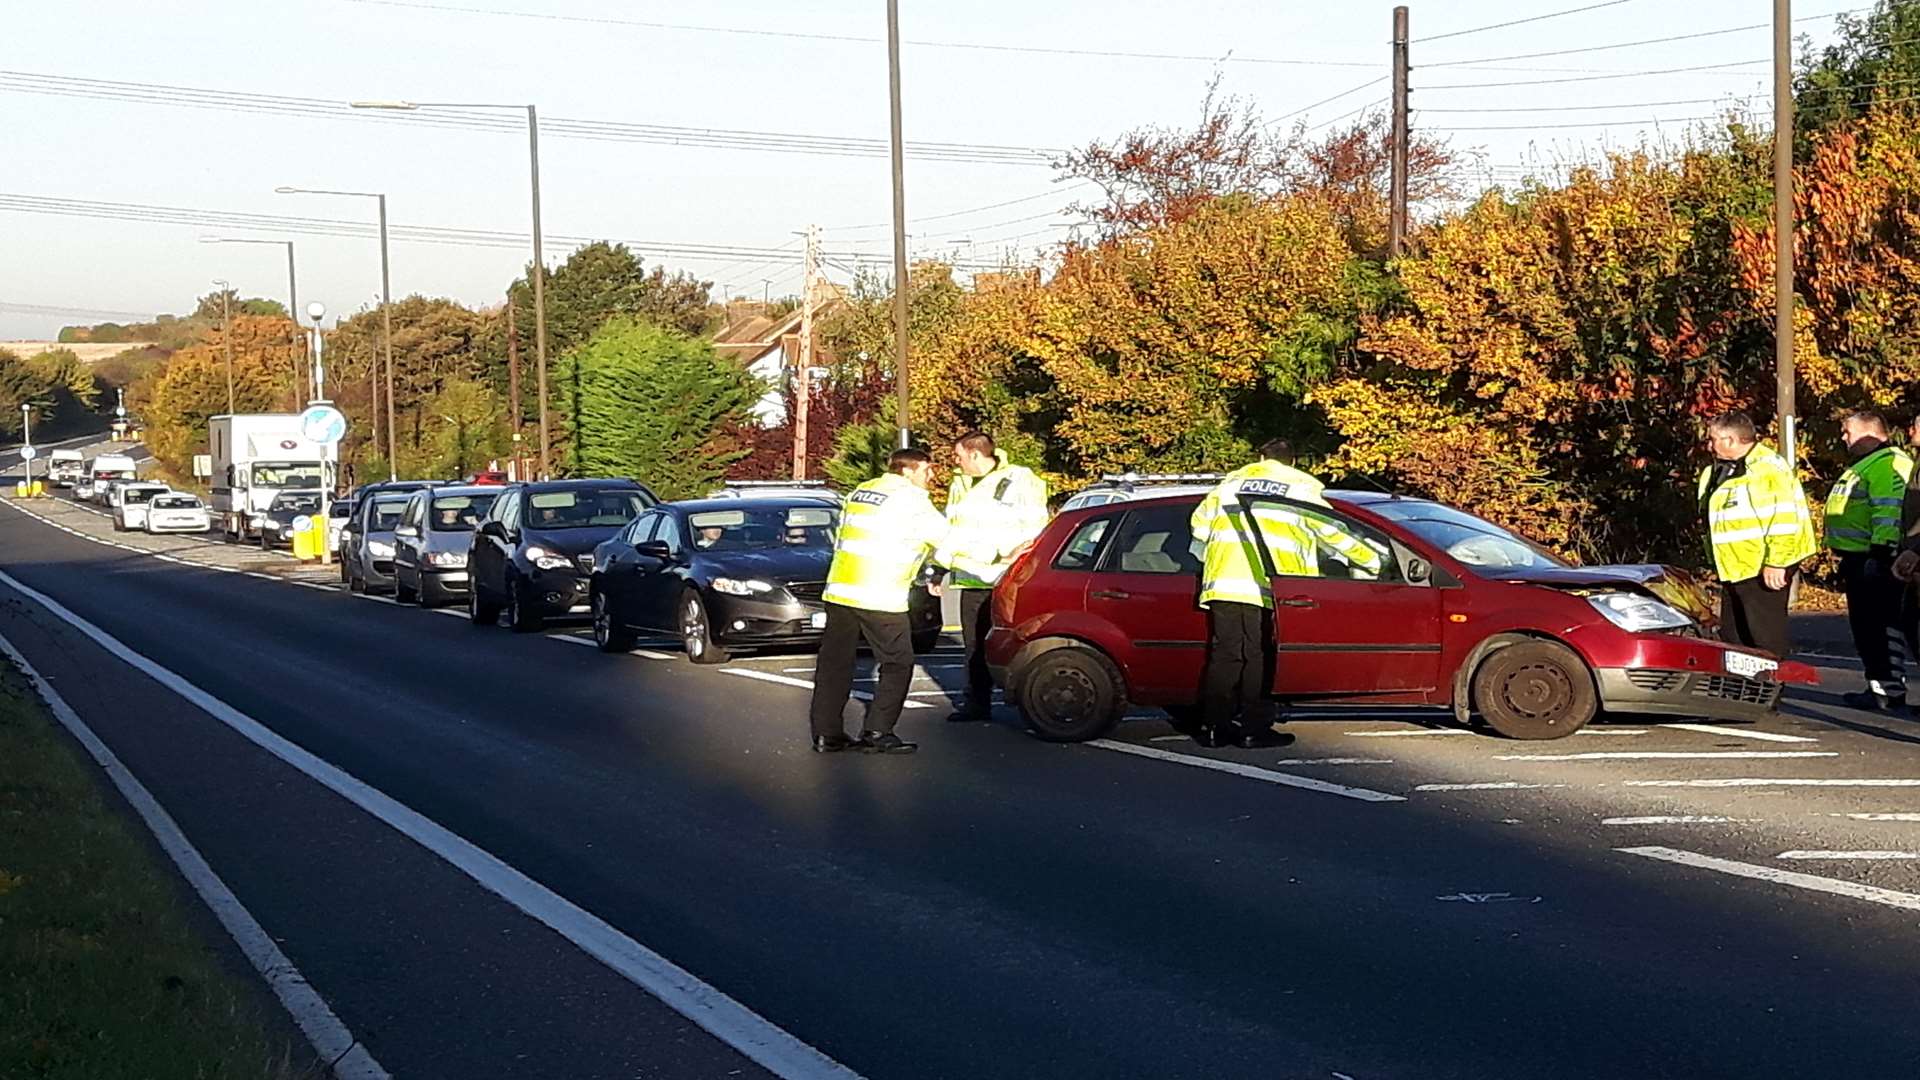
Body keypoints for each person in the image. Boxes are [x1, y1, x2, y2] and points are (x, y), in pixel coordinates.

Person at [1188, 439, 1356, 750]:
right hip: (1268, 584)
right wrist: (1372, 561)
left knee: (1224, 655)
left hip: (1222, 581)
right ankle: (1253, 729)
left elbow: (1199, 527)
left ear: (1260, 458)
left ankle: (1213, 727)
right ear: (1291, 461)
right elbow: (1334, 532)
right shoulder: (1299, 488)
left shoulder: (1230, 485)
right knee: (1258, 656)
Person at [809, 448, 950, 754]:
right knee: (898, 663)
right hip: (880, 594)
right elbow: (947, 539)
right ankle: (877, 731)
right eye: (928, 470)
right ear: (909, 471)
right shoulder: (912, 500)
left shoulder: (862, 491)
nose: (931, 476)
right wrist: (993, 558)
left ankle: (826, 733)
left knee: (834, 665)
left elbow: (842, 537)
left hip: (841, 592)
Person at [940, 432, 1049, 723]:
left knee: (1013, 641)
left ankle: (1026, 699)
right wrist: (939, 569)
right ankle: (977, 701)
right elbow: (951, 530)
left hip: (1005, 576)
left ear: (975, 454)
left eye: (959, 456)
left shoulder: (1019, 479)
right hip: (971, 576)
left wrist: (1017, 558)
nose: (956, 461)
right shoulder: (959, 483)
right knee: (974, 645)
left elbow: (1037, 524)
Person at [1697, 411, 1815, 660]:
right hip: (1734, 565)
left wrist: (1776, 562)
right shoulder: (1721, 470)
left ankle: (1770, 689)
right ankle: (1744, 692)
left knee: (1763, 638)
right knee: (1734, 636)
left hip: (1761, 565)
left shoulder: (1766, 469)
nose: (1709, 446)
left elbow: (1783, 519)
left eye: (1713, 439)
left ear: (1730, 440)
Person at [1825, 410, 1916, 710]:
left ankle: (1888, 691)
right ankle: (1879, 688)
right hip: (1859, 556)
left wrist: (1882, 554)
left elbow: (1888, 511)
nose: (1843, 437)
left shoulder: (1887, 464)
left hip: (1877, 557)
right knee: (1868, 628)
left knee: (1882, 627)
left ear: (1870, 433)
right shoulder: (1865, 465)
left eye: (1847, 432)